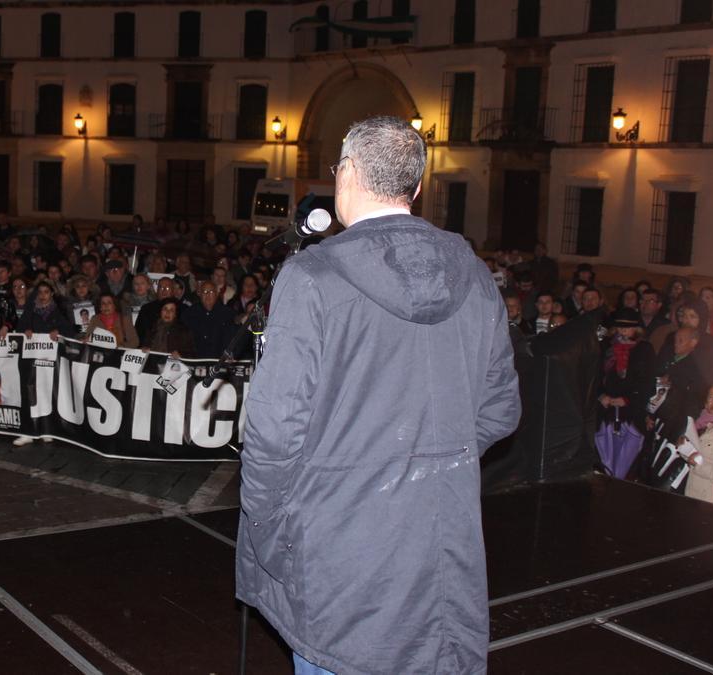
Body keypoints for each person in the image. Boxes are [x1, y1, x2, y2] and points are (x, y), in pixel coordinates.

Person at [237, 116, 520, 675]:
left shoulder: (312, 278)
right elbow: (500, 409)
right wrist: (431, 458)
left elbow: (273, 431)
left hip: (340, 553)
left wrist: (273, 528)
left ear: (346, 175)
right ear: (415, 189)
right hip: (440, 547)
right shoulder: (477, 276)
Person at [181, 281, 236, 359]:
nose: (208, 295)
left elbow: (232, 338)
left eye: (211, 291)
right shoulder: (189, 314)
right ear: (199, 294)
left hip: (219, 362)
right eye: (205, 292)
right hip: (195, 360)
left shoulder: (227, 313)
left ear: (216, 294)